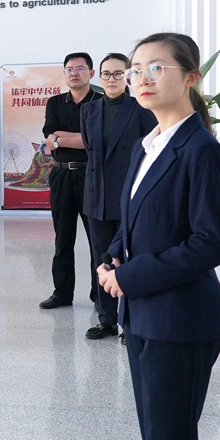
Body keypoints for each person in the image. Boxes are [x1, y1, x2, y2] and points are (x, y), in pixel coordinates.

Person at [97, 33, 220, 440]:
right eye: (135, 70)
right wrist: (113, 256)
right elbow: (134, 218)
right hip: (142, 315)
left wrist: (129, 277)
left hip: (181, 320)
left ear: (191, 77)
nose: (142, 78)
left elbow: (213, 243)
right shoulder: (147, 145)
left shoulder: (201, 150)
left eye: (156, 68)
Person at [81, 53, 157, 340]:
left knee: (130, 258)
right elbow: (91, 151)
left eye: (118, 73)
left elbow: (149, 153)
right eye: (106, 74)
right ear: (98, 77)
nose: (111, 79)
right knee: (101, 258)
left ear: (128, 77)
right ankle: (107, 320)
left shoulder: (141, 109)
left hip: (129, 195)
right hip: (96, 196)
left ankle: (132, 322)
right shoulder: (89, 110)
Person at [39, 52, 102, 309]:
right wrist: (81, 139)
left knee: (97, 239)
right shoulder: (55, 102)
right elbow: (48, 135)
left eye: (80, 68)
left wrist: (60, 140)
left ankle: (100, 296)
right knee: (62, 238)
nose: (74, 73)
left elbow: (98, 139)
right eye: (69, 69)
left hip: (93, 176)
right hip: (62, 175)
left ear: (91, 73)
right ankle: (62, 293)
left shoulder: (101, 102)